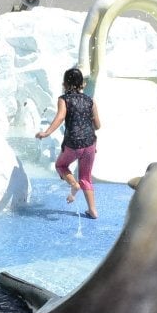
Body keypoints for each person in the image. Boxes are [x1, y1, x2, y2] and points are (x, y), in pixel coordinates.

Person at [35, 66, 102, 219]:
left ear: (64, 84)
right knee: (86, 177)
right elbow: (98, 125)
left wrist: (47, 132)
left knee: (61, 165)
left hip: (74, 143)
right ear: (82, 84)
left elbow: (60, 117)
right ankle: (93, 211)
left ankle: (73, 184)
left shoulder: (64, 99)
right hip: (90, 143)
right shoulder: (90, 101)